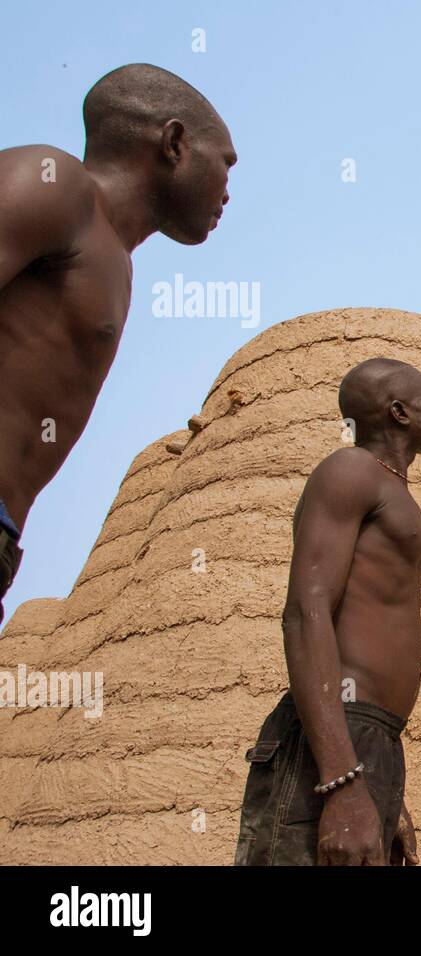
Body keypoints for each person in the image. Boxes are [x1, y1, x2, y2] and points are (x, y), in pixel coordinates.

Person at [0, 63, 235, 624]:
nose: (228, 190)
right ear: (175, 142)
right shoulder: (53, 182)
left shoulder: (115, 261)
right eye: (225, 164)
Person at [234, 358, 421, 866]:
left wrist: (381, 791)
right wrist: (342, 782)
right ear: (399, 412)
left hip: (367, 740)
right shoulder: (349, 470)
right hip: (338, 737)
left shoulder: (390, 487)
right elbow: (306, 611)